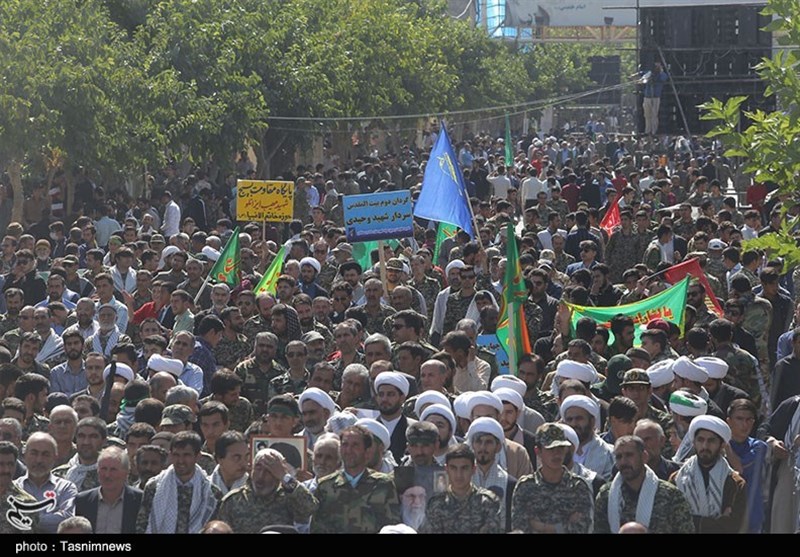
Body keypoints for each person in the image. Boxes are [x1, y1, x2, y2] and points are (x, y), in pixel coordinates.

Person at [595, 435, 694, 533]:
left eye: (629, 455)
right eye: (619, 457)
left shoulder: (670, 495)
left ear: (644, 457)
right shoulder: (606, 495)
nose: (623, 462)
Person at [311, 425, 400, 533]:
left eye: (355, 445)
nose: (349, 450)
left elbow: (392, 528)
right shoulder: (325, 486)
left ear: (367, 451)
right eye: (345, 445)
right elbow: (317, 528)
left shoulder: (383, 485)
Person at [511, 423, 594, 534]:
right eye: (551, 449)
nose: (557, 454)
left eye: (560, 448)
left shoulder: (578, 486)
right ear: (538, 451)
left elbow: (582, 528)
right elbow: (520, 528)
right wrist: (564, 526)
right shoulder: (525, 487)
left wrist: (543, 528)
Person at [670, 415, 747, 533]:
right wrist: (715, 522)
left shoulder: (735, 483)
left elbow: (731, 527)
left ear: (722, 445)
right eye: (700, 440)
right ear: (694, 442)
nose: (705, 446)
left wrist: (690, 520)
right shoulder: (677, 478)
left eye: (711, 441)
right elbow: (672, 520)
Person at [136, 431, 221, 533]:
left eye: (186, 455)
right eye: (176, 455)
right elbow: (142, 525)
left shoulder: (212, 493)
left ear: (198, 456)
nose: (181, 460)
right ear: (170, 455)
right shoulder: (154, 487)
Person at [217, 447, 318, 534]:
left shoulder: (289, 498)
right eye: (258, 468)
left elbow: (310, 509)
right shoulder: (233, 501)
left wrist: (285, 477)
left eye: (268, 471)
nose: (261, 476)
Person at [418, 443, 501, 534]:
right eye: (453, 468)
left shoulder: (487, 502)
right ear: (446, 469)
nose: (459, 475)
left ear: (473, 469)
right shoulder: (436, 504)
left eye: (464, 468)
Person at [14, 432, 77, 533]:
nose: (39, 460)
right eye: (34, 453)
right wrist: (51, 517)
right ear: (24, 455)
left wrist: (27, 517)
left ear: (55, 457)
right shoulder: (14, 487)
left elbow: (68, 519)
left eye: (45, 455)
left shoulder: (66, 488)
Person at [74, 447, 143, 534]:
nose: (107, 475)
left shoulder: (139, 500)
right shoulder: (83, 501)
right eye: (103, 469)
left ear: (126, 473)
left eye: (113, 470)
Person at [642, 61, 668, 136]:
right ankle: (647, 131)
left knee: (654, 115)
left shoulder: (662, 75)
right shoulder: (649, 73)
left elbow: (664, 78)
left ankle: (654, 131)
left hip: (656, 97)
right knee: (647, 115)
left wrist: (660, 70)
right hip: (647, 97)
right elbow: (642, 76)